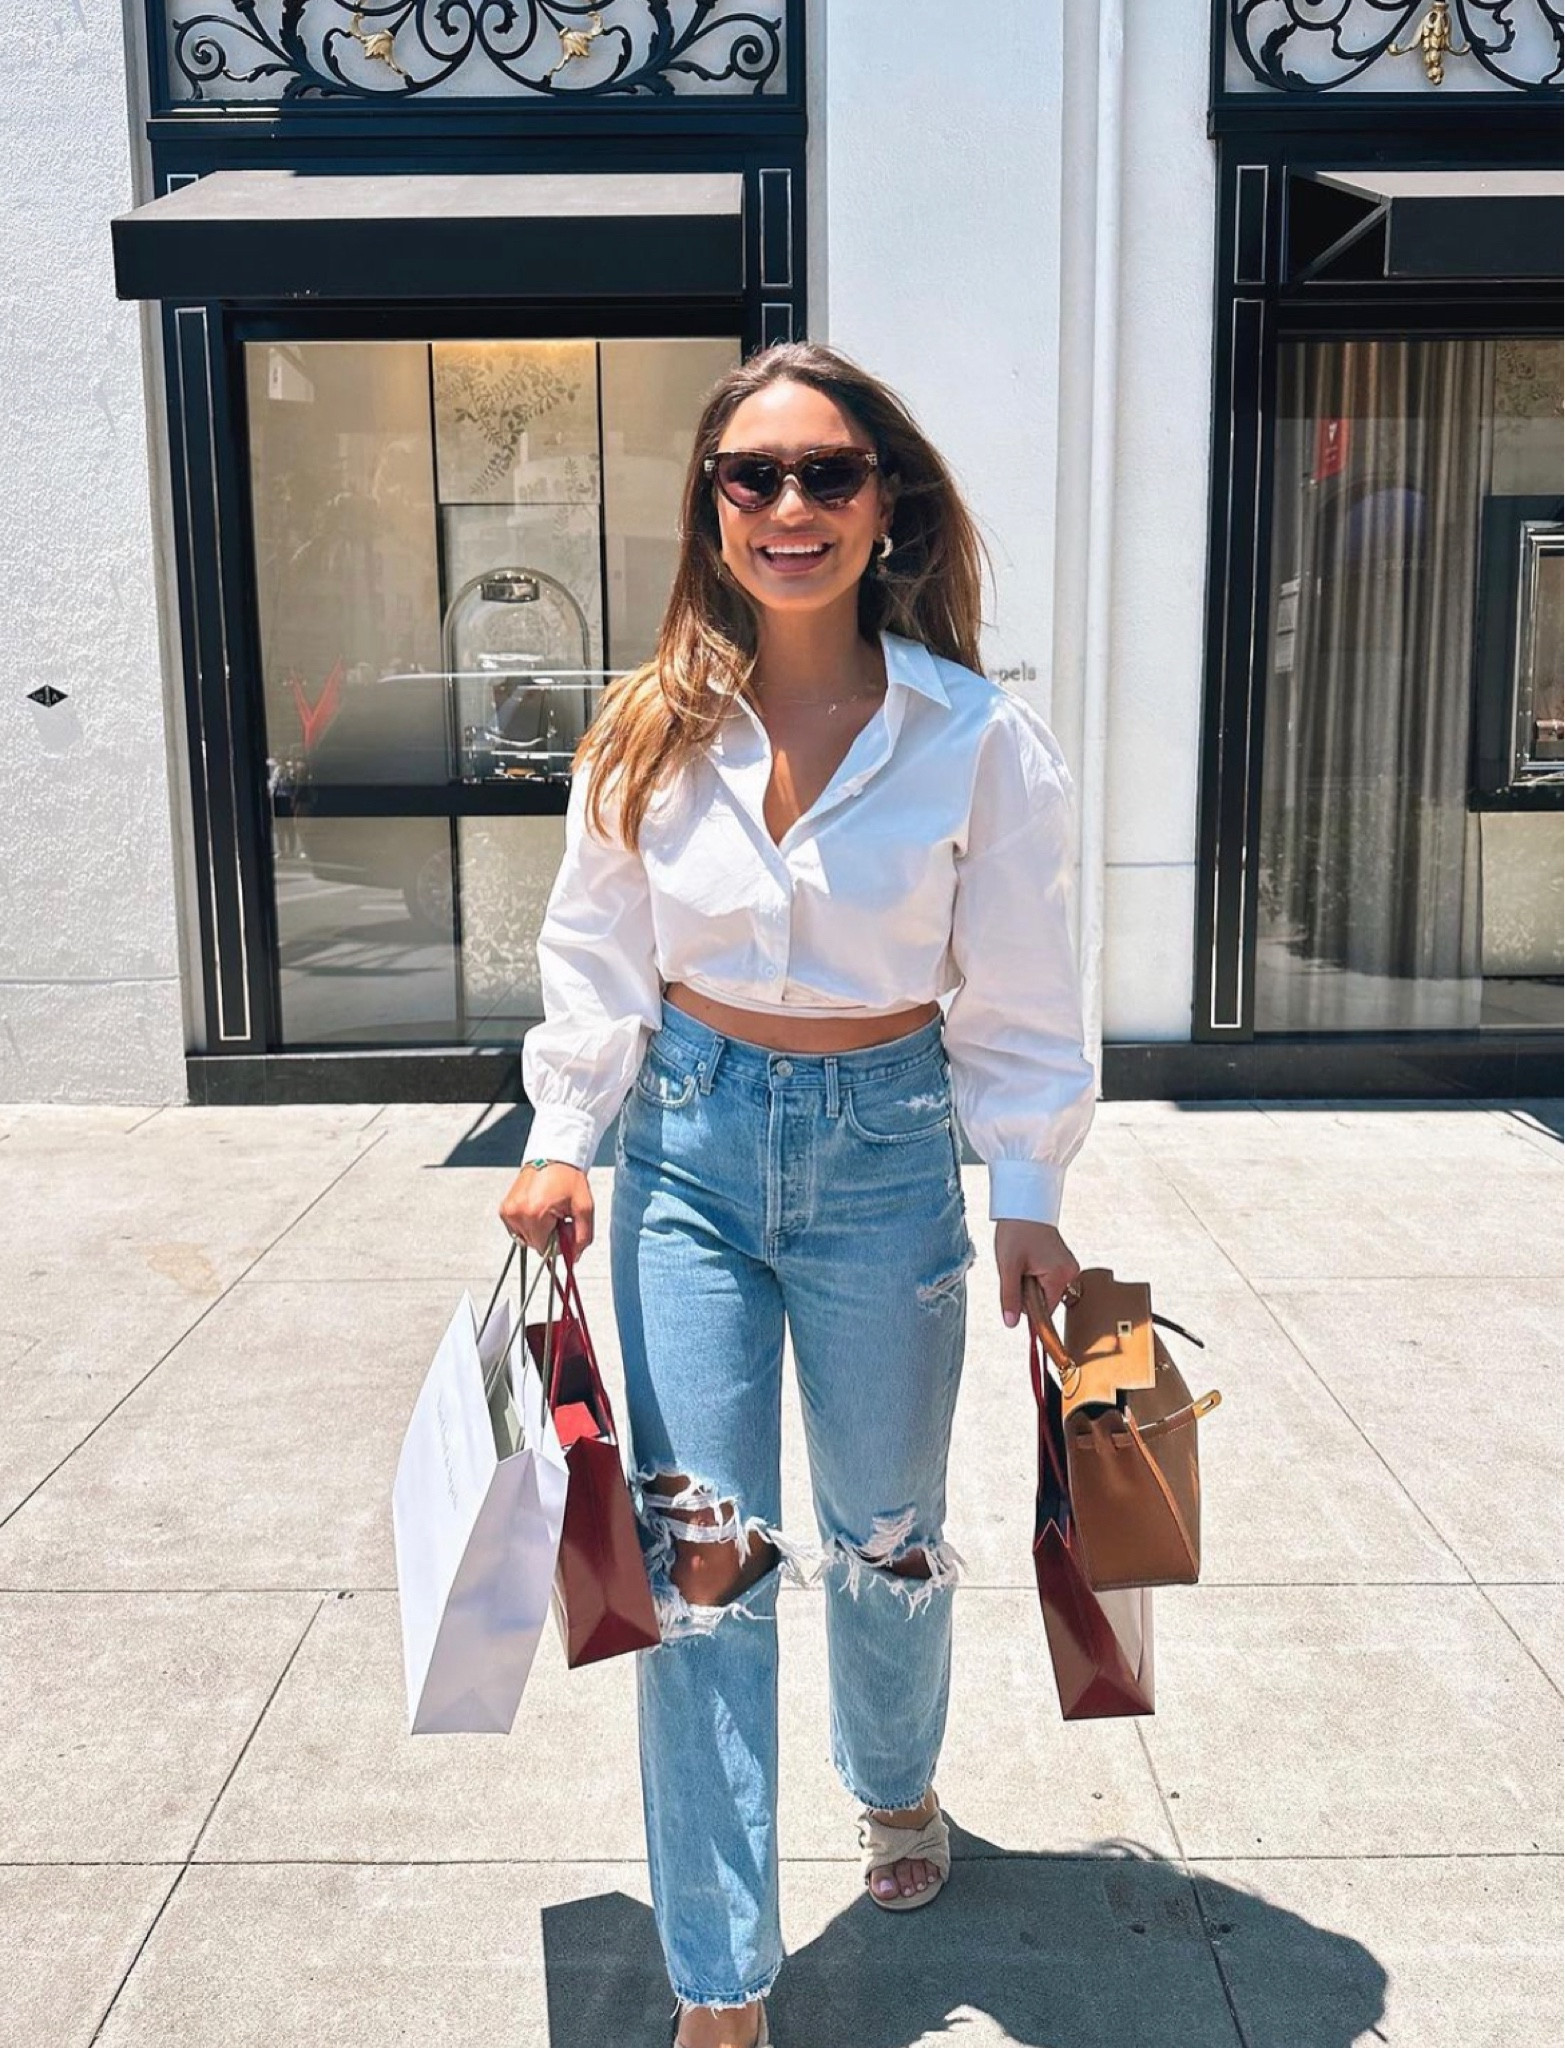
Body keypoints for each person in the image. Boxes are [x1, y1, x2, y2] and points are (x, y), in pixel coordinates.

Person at [499, 340, 1095, 2048]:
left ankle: (893, 1783)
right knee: (704, 1564)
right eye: (752, 477)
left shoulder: (975, 736)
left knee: (886, 1535)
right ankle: (720, 1976)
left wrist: (1031, 1190)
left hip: (887, 1150)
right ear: (710, 508)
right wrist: (564, 1130)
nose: (788, 506)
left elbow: (1025, 988)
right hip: (686, 1147)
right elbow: (595, 951)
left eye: (826, 473)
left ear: (882, 502)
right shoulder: (649, 724)